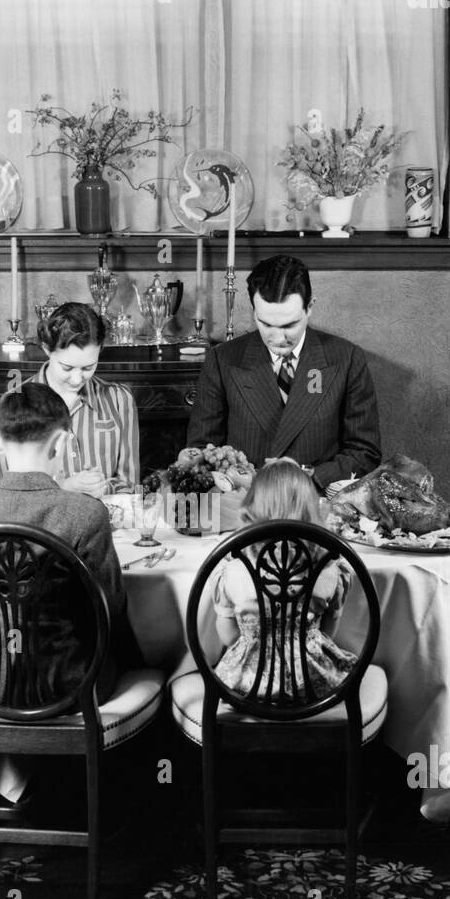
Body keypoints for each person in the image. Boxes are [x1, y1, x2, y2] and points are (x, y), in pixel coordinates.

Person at [0, 380, 139, 803]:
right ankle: (119, 788)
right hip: (68, 684)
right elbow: (112, 606)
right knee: (145, 658)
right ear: (64, 443)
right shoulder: (86, 513)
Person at [185, 254, 382, 490]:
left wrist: (307, 477)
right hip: (245, 506)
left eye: (290, 325)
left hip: (317, 508)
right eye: (266, 324)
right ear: (253, 308)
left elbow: (364, 452)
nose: (278, 338)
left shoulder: (347, 359)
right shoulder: (223, 360)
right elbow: (202, 450)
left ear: (310, 307)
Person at [212, 459, 357, 697]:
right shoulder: (330, 569)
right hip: (312, 687)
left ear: (252, 505)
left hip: (249, 689)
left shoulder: (233, 570)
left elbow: (228, 637)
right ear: (311, 507)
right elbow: (330, 632)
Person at [0, 302, 139, 495]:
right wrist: (64, 488)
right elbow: (5, 492)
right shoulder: (6, 404)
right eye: (67, 368)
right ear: (47, 350)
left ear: (100, 350)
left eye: (88, 368)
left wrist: (101, 487)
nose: (77, 379)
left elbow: (131, 487)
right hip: (37, 524)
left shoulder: (119, 399)